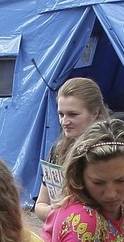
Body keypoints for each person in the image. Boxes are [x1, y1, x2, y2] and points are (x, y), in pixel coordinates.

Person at [34, 77, 108, 222]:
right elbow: (40, 205)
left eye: (73, 114)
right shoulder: (58, 150)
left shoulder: (111, 152)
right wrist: (57, 211)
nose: (64, 121)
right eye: (61, 114)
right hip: (63, 234)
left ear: (95, 113)